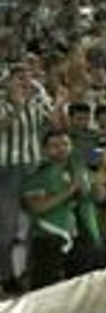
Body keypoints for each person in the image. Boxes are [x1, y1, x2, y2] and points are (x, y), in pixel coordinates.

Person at [22, 127, 100, 288]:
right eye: (55, 145)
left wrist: (98, 185)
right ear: (44, 150)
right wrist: (71, 189)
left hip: (82, 235)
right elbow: (37, 207)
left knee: (80, 288)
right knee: (45, 291)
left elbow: (97, 198)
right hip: (49, 239)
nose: (61, 148)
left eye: (65, 144)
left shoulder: (80, 169)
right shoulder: (37, 175)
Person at [1, 63, 54, 295]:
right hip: (7, 169)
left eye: (28, 77)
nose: (25, 82)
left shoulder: (37, 101)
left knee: (37, 223)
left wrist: (57, 104)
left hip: (34, 167)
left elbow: (55, 125)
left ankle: (32, 272)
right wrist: (17, 107)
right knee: (7, 226)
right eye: (19, 78)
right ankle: (5, 276)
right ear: (7, 81)